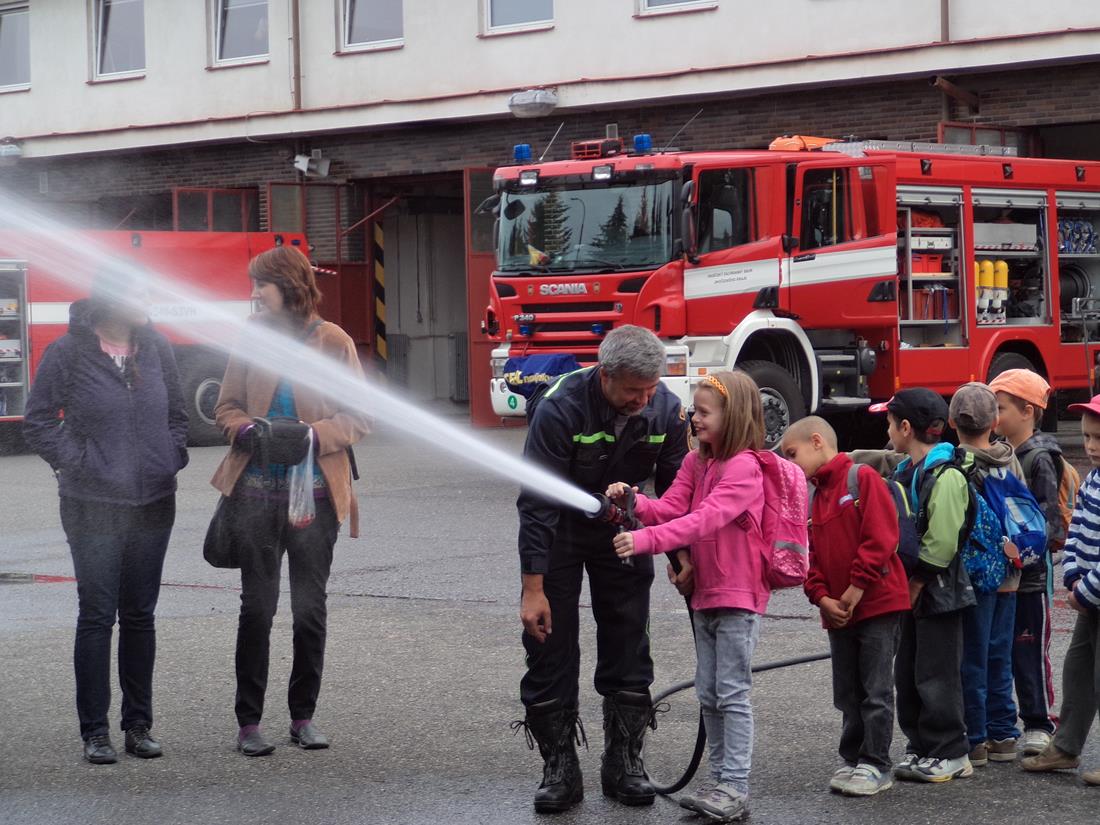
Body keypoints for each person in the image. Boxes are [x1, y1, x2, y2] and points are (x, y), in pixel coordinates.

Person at [514, 324, 690, 814]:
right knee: (549, 647)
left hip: (626, 528)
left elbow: (679, 494)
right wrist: (533, 588)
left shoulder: (666, 408)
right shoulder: (559, 407)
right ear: (605, 375)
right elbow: (536, 503)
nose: (645, 399)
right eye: (634, 390)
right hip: (561, 533)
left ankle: (624, 763)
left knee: (630, 638)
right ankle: (560, 770)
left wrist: (681, 558)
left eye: (651, 387)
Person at [24, 265, 189, 764]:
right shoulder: (68, 352)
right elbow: (37, 422)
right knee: (97, 615)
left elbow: (177, 416)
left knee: (140, 616)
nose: (148, 300)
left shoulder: (156, 348)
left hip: (154, 501)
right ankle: (95, 731)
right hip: (91, 504)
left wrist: (170, 455)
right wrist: (80, 465)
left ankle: (138, 725)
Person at [210, 246, 368, 757]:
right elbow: (225, 407)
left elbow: (359, 416)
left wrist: (313, 437)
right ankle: (249, 723)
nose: (254, 294)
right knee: (257, 609)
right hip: (254, 498)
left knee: (309, 610)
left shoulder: (334, 341)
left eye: (262, 284)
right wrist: (247, 430)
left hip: (316, 500)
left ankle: (303, 717)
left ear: (290, 286)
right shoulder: (250, 338)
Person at [612, 370, 767, 823]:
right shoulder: (696, 463)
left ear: (732, 416)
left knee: (732, 693)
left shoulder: (744, 468)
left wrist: (645, 542)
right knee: (709, 692)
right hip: (705, 595)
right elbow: (671, 507)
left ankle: (734, 787)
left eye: (702, 412)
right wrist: (633, 502)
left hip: (738, 596)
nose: (692, 419)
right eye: (692, 411)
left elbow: (703, 521)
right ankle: (720, 784)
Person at [780, 416, 908, 797]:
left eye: (792, 453)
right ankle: (854, 758)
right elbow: (810, 559)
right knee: (847, 691)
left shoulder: (862, 478)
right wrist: (822, 598)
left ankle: (876, 763)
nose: (791, 464)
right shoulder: (816, 496)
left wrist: (852, 592)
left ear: (817, 441)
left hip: (876, 604)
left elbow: (881, 539)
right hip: (839, 610)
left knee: (875, 688)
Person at [869, 388, 976, 783]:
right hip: (914, 590)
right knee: (910, 671)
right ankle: (921, 747)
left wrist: (916, 581)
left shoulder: (946, 475)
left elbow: (943, 541)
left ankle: (950, 751)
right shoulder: (907, 470)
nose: (887, 428)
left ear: (906, 427)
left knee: (937, 673)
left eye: (889, 422)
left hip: (939, 591)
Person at [1021, 393, 1100, 786]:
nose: (1091, 447)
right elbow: (1077, 533)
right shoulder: (1092, 480)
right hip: (1090, 595)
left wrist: (1085, 591)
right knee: (1079, 671)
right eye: (1087, 437)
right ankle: (1066, 747)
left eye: (1099, 438)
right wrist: (1071, 576)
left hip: (1093, 593)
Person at [948, 382, 1024, 767]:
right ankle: (1005, 734)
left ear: (951, 421)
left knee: (971, 656)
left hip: (973, 577)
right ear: (995, 421)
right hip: (1009, 576)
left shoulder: (955, 463)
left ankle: (975, 739)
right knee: (1000, 654)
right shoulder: (1010, 459)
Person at [988, 369, 1061, 756]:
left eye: (999, 408)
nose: (994, 415)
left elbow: (1049, 523)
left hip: (1030, 579)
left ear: (1028, 411)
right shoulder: (1000, 453)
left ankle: (1039, 721)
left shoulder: (1040, 459)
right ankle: (1007, 719)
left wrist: (1023, 553)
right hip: (1005, 575)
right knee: (1003, 649)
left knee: (1030, 651)